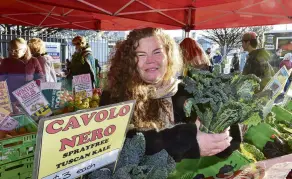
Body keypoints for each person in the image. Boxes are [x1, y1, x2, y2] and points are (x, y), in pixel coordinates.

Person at [100, 27, 242, 162]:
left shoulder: (190, 93)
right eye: (141, 55)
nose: (150, 60)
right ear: (130, 61)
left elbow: (230, 145)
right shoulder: (115, 96)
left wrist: (222, 127)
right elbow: (116, 146)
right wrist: (186, 141)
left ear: (168, 56)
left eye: (157, 52)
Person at [0, 38, 44, 106]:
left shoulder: (33, 61)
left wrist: (33, 85)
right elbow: (1, 80)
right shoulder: (6, 62)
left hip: (31, 98)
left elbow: (41, 77)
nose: (12, 52)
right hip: (12, 99)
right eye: (9, 49)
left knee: (35, 116)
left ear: (25, 49)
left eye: (15, 50)